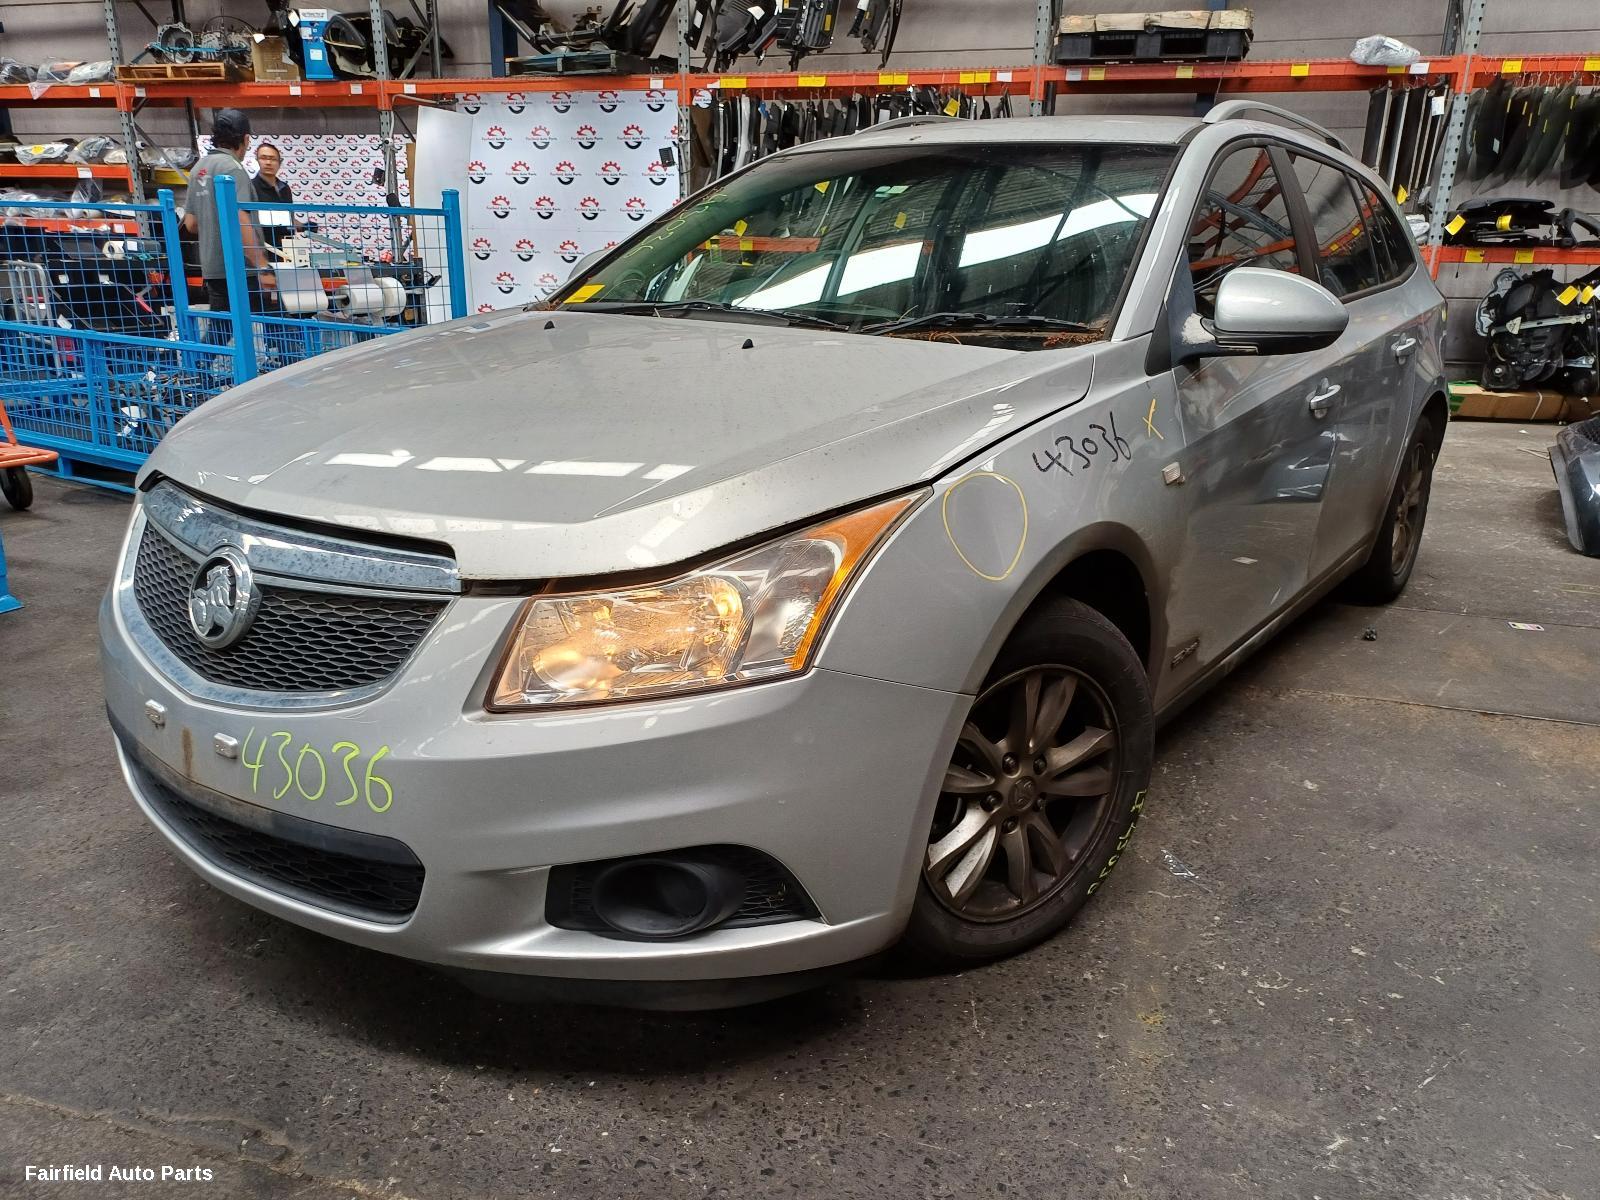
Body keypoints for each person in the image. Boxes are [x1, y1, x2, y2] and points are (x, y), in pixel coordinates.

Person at [182, 109, 276, 335]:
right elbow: (240, 218)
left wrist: (213, 222)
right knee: (281, 325)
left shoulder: (198, 169)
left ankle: (199, 360)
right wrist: (262, 266)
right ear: (245, 139)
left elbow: (191, 224)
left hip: (213, 267)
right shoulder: (233, 168)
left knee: (221, 330)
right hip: (242, 269)